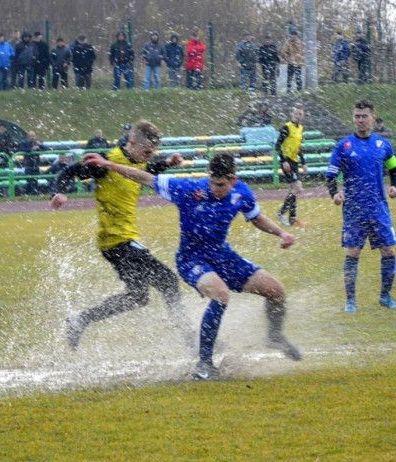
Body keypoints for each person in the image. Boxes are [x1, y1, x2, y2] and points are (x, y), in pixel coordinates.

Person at [81, 151, 302, 380]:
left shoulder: (241, 193)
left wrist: (281, 233)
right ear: (209, 177)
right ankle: (204, 364)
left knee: (276, 291)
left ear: (233, 180)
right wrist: (108, 164)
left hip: (223, 255)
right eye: (214, 183)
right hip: (191, 258)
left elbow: (256, 218)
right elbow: (144, 177)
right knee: (220, 295)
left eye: (222, 184)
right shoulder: (188, 189)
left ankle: (275, 336)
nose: (217, 189)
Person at [50, 120, 192, 351]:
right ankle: (189, 337)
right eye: (147, 151)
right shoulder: (106, 161)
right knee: (168, 281)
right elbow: (69, 171)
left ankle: (81, 319)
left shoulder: (139, 162)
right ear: (132, 142)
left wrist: (167, 163)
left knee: (138, 297)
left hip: (117, 242)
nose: (150, 156)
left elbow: (147, 170)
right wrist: (57, 192)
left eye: (153, 152)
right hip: (118, 240)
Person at [325, 99, 396, 313]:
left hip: (378, 207)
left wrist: (394, 186)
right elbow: (331, 174)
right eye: (357, 116)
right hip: (354, 210)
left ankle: (385, 296)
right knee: (353, 252)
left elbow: (393, 168)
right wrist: (335, 193)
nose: (361, 120)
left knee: (390, 251)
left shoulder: (383, 145)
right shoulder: (344, 146)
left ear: (373, 118)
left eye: (364, 116)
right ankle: (351, 301)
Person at [276, 104, 307, 227]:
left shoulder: (300, 129)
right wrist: (283, 161)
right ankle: (281, 213)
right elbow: (277, 145)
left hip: (294, 161)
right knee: (297, 188)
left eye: (300, 114)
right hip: (287, 161)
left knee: (292, 190)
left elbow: (299, 147)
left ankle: (292, 219)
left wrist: (303, 162)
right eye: (296, 114)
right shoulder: (286, 128)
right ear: (292, 115)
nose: (298, 116)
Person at [18, 130, 46, 195]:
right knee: (29, 180)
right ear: (28, 136)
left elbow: (45, 148)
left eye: (33, 136)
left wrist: (40, 145)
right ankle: (28, 193)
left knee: (35, 180)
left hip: (36, 164)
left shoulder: (38, 142)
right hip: (28, 164)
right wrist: (31, 149)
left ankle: (35, 193)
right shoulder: (24, 143)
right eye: (31, 136)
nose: (32, 137)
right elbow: (22, 150)